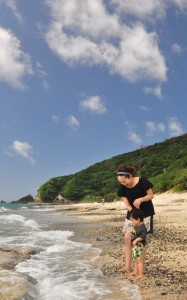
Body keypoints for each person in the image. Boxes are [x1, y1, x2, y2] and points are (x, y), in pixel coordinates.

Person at [116, 165, 155, 273]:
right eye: (121, 183)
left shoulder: (143, 181)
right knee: (127, 239)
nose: (123, 184)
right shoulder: (122, 189)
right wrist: (132, 213)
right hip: (132, 215)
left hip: (145, 214)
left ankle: (138, 269)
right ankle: (127, 266)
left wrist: (141, 199)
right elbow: (127, 204)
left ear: (130, 176)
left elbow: (151, 195)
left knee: (139, 241)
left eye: (125, 181)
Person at [130, 208, 147, 280]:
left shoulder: (142, 227)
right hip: (135, 245)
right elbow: (133, 233)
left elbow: (143, 236)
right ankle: (136, 271)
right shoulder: (136, 226)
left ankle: (141, 274)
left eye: (133, 220)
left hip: (139, 245)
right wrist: (132, 238)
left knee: (139, 260)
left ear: (138, 219)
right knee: (135, 259)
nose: (132, 222)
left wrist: (136, 240)